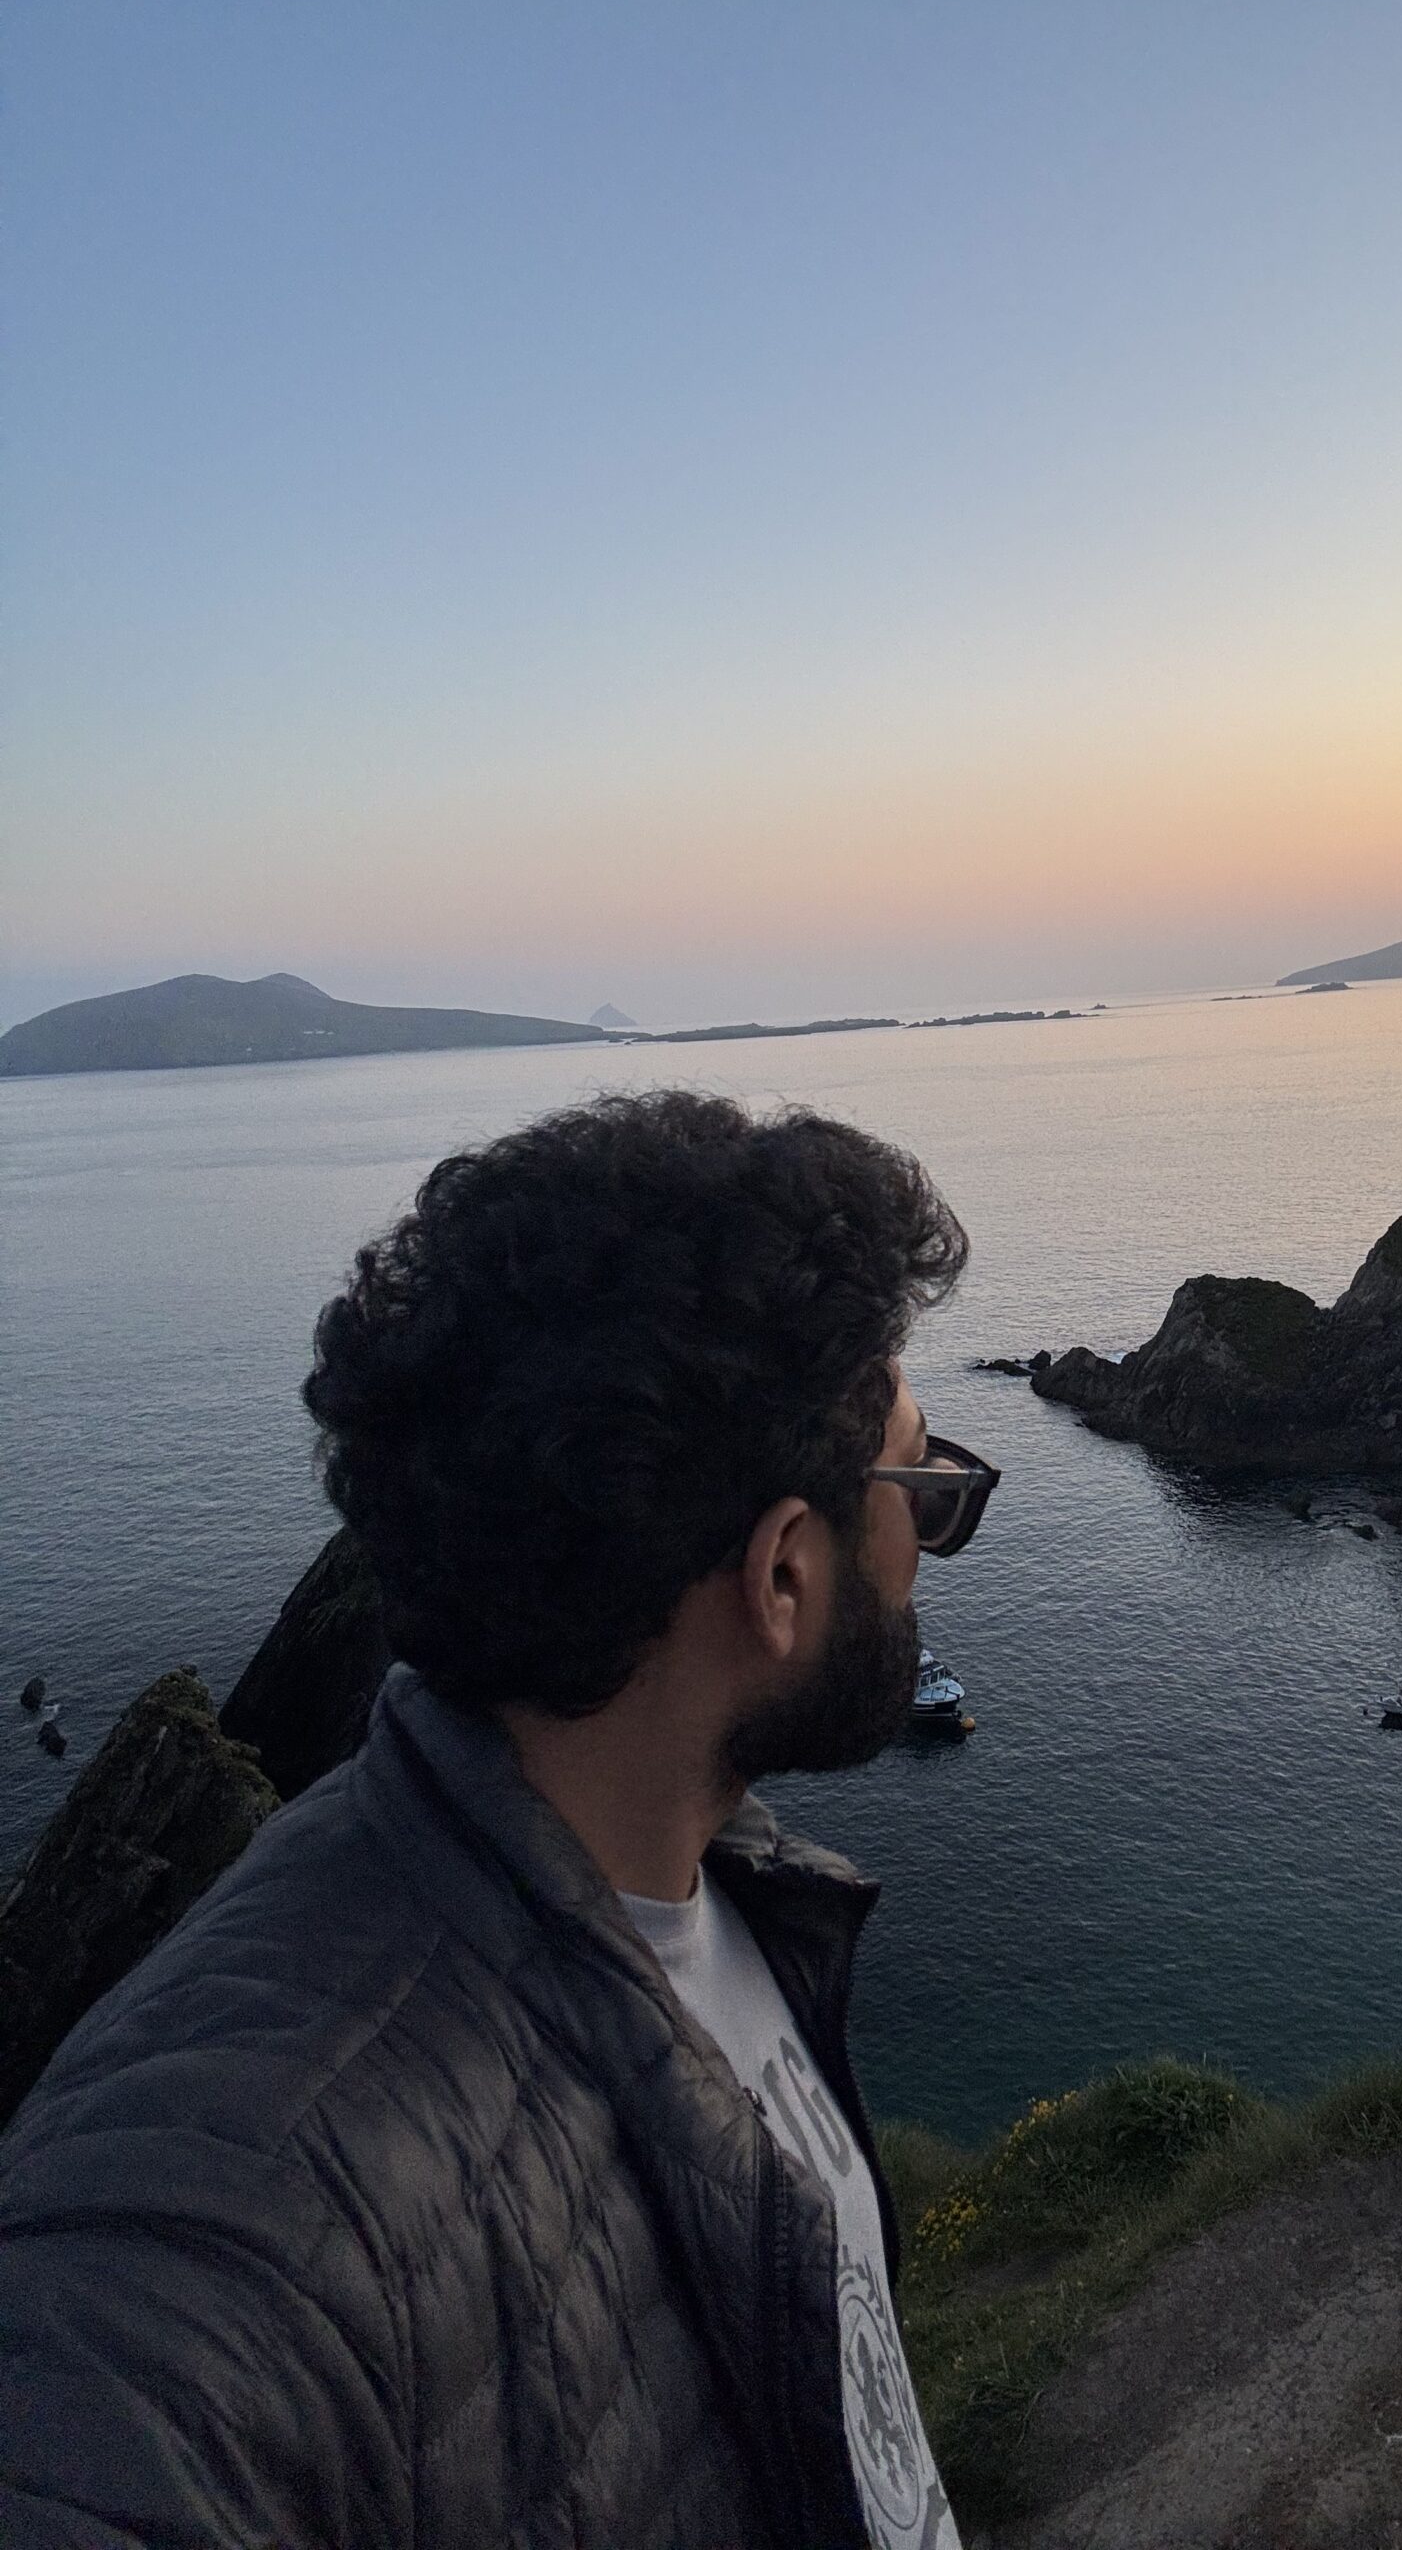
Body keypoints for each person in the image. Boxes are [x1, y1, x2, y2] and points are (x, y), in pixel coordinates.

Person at [0, 1089, 1000, 2550]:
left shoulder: (726, 1887)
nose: (936, 1534)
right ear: (784, 1575)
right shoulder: (233, 2206)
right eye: (923, 1484)